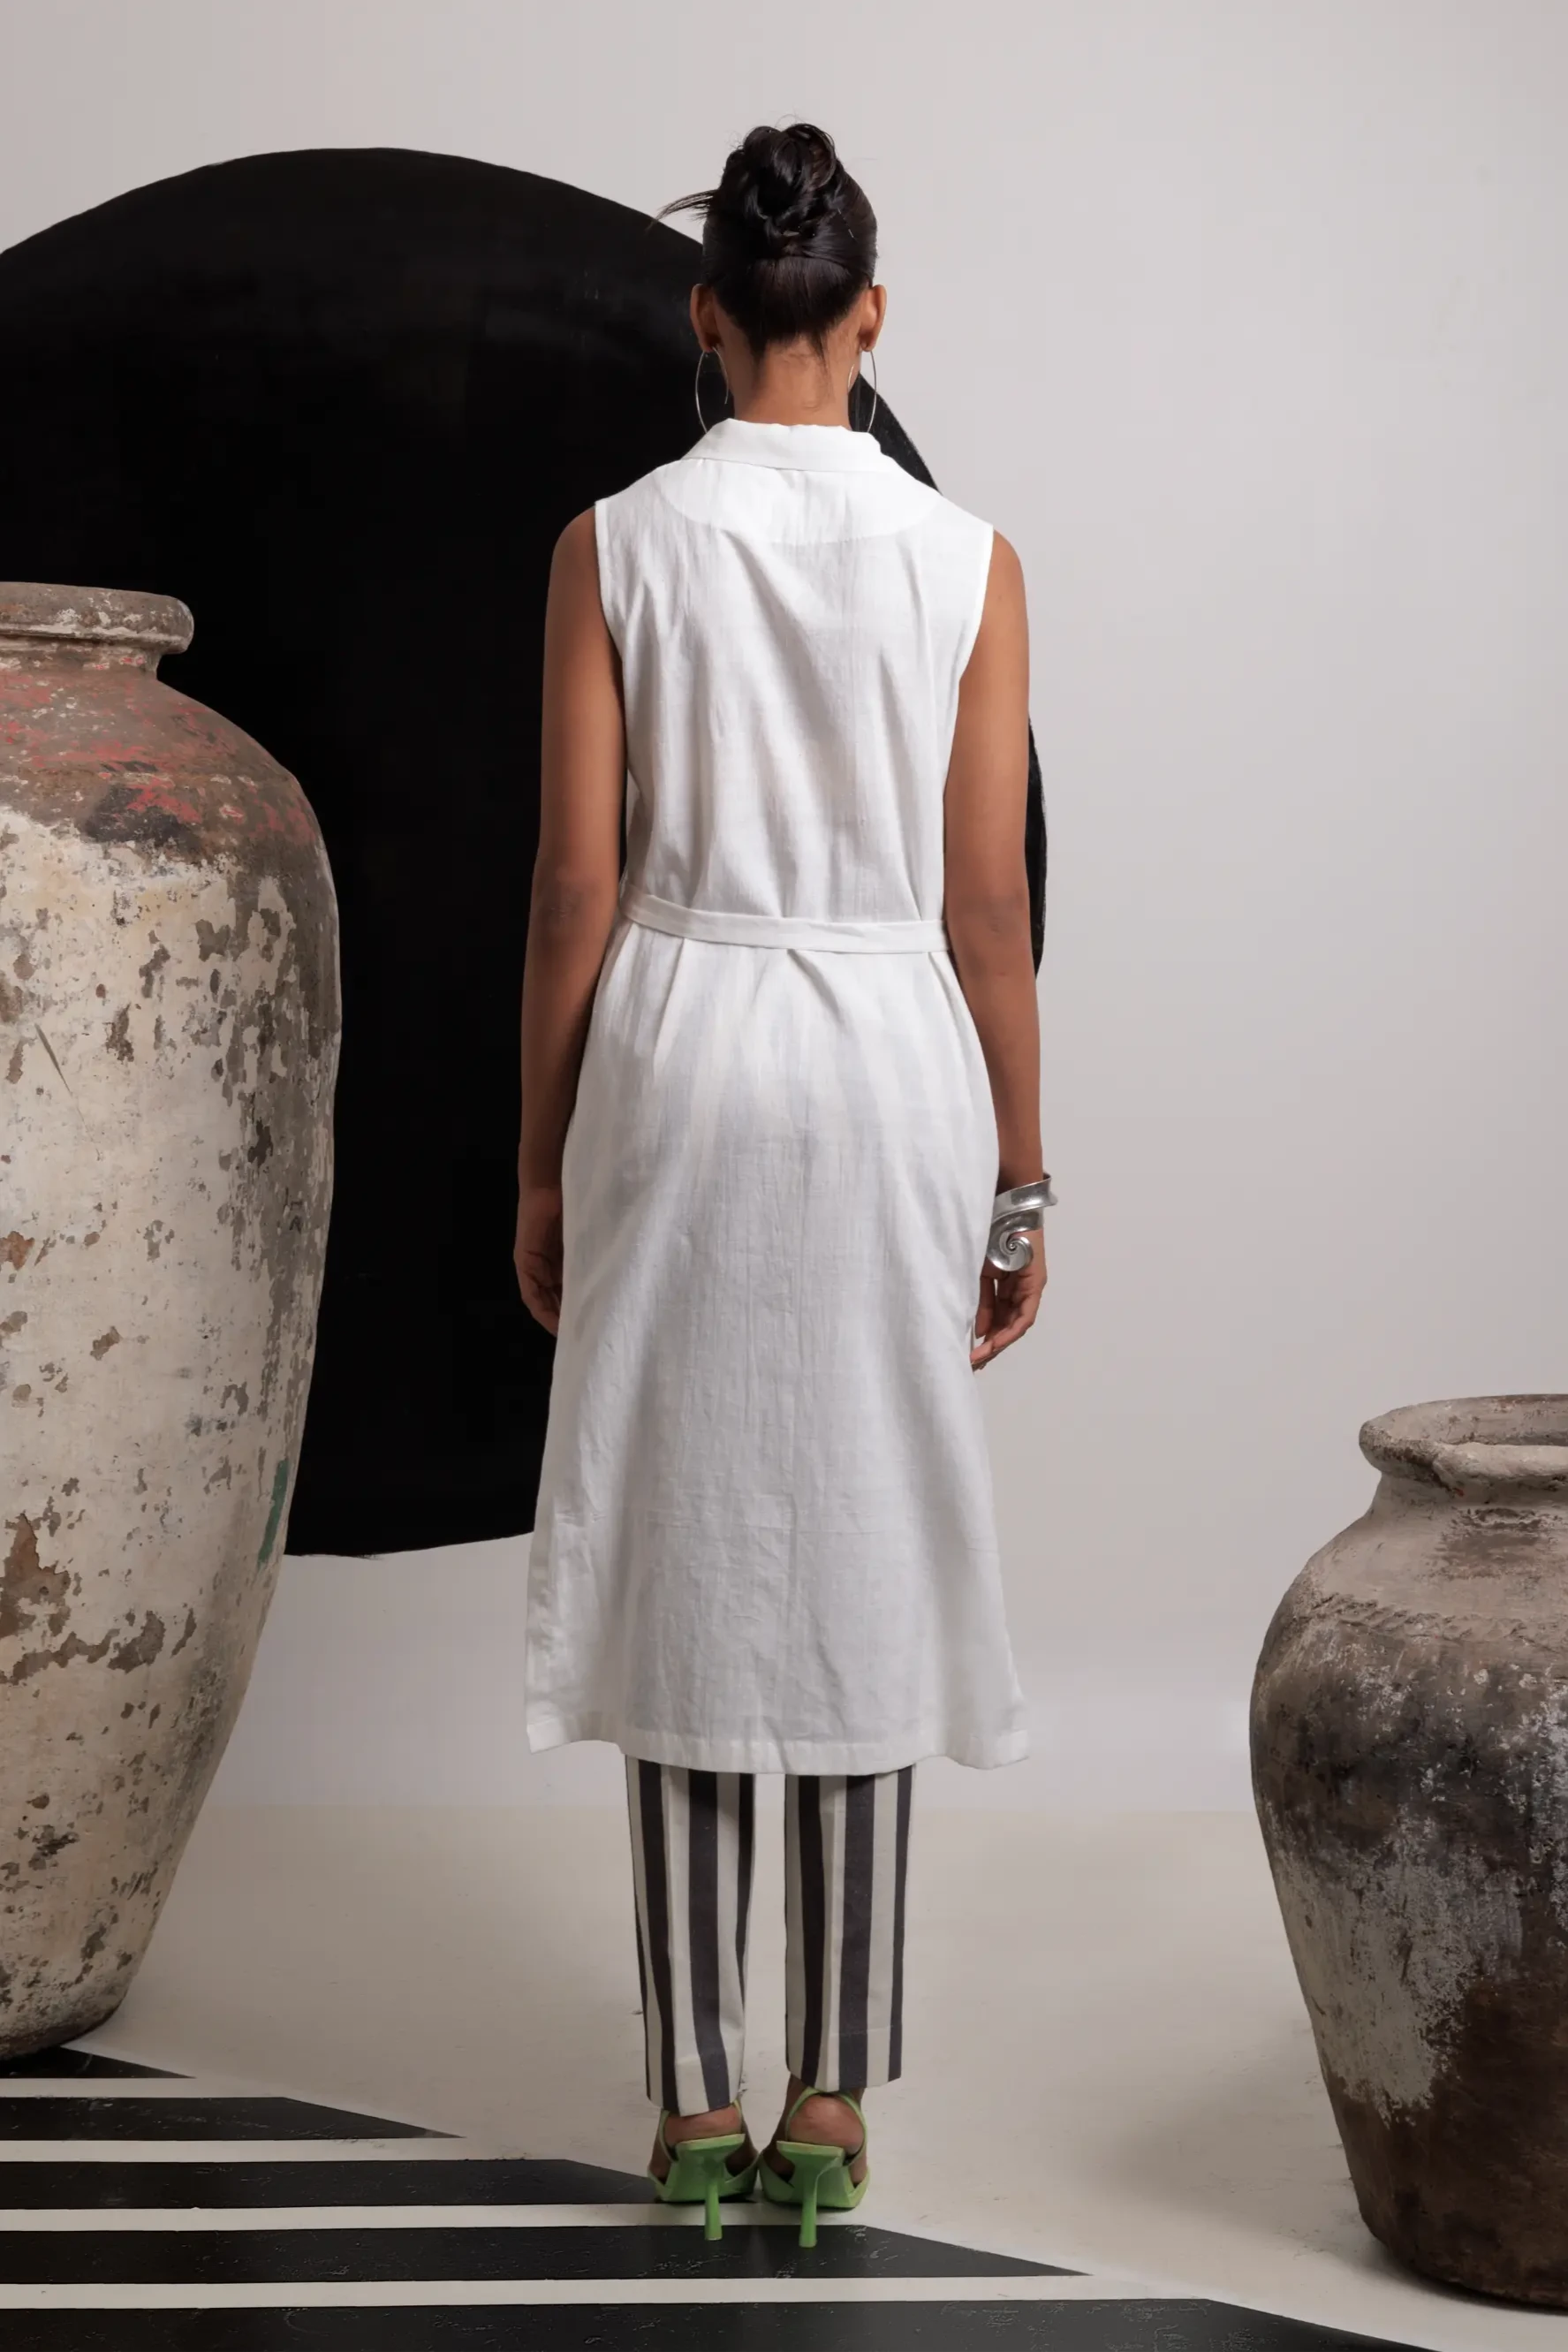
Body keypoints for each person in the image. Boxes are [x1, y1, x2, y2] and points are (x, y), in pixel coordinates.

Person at [514, 119, 1047, 2247]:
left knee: (683, 1552)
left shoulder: (612, 545)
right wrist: (1020, 1177)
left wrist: (539, 1163)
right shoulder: (969, 558)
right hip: (887, 1056)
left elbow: (573, 884)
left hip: (678, 1041)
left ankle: (690, 2096)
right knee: (859, 1542)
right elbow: (986, 905)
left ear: (706, 319)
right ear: (870, 315)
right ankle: (828, 2095)